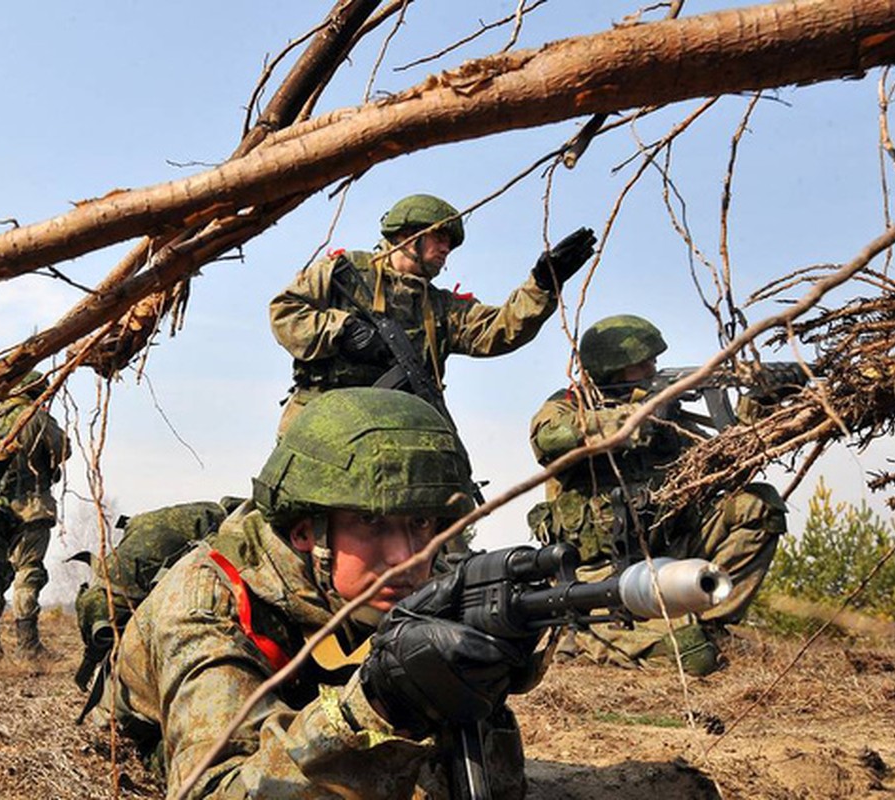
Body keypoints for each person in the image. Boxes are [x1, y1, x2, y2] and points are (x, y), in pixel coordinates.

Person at [104, 387, 543, 799]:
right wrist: (379, 704)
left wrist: (483, 684)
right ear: (305, 531)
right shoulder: (208, 603)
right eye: (373, 523)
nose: (406, 557)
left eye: (421, 524)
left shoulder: (419, 580)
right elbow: (214, 790)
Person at [527, 315, 788, 675]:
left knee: (757, 507)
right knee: (695, 657)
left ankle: (709, 621)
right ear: (611, 369)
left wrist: (764, 403)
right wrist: (637, 419)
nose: (653, 368)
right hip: (601, 580)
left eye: (653, 360)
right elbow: (550, 441)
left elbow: (727, 464)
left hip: (669, 558)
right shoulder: (567, 406)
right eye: (642, 363)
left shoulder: (668, 416)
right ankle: (592, 638)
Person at [269, 193, 595, 434]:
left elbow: (499, 330)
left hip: (395, 428)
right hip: (323, 421)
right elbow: (285, 312)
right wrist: (341, 329)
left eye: (450, 244)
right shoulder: (343, 271)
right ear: (406, 235)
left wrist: (542, 285)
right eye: (439, 237)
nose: (445, 249)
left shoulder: (439, 306)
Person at [0, 370, 71, 658]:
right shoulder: (35, 417)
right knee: (28, 573)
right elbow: (63, 450)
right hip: (31, 508)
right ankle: (28, 646)